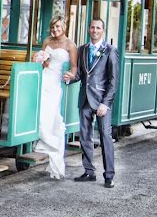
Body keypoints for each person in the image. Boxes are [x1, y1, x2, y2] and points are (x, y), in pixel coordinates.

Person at [63, 18, 119, 188]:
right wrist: (70, 78)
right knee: (85, 137)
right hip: (85, 99)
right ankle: (89, 171)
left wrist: (106, 103)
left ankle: (109, 175)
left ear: (103, 30)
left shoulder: (110, 51)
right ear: (89, 29)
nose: (94, 30)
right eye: (92, 27)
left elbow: (113, 81)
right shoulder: (82, 49)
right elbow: (81, 75)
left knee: (105, 137)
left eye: (98, 28)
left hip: (102, 101)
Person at [32, 16, 78, 179]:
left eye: (58, 26)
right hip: (43, 79)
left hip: (55, 84)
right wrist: (40, 59)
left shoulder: (70, 45)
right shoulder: (47, 41)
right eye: (53, 27)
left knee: (51, 120)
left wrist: (70, 75)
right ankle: (54, 161)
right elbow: (44, 63)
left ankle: (54, 157)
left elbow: (74, 67)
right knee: (41, 117)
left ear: (64, 26)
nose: (55, 30)